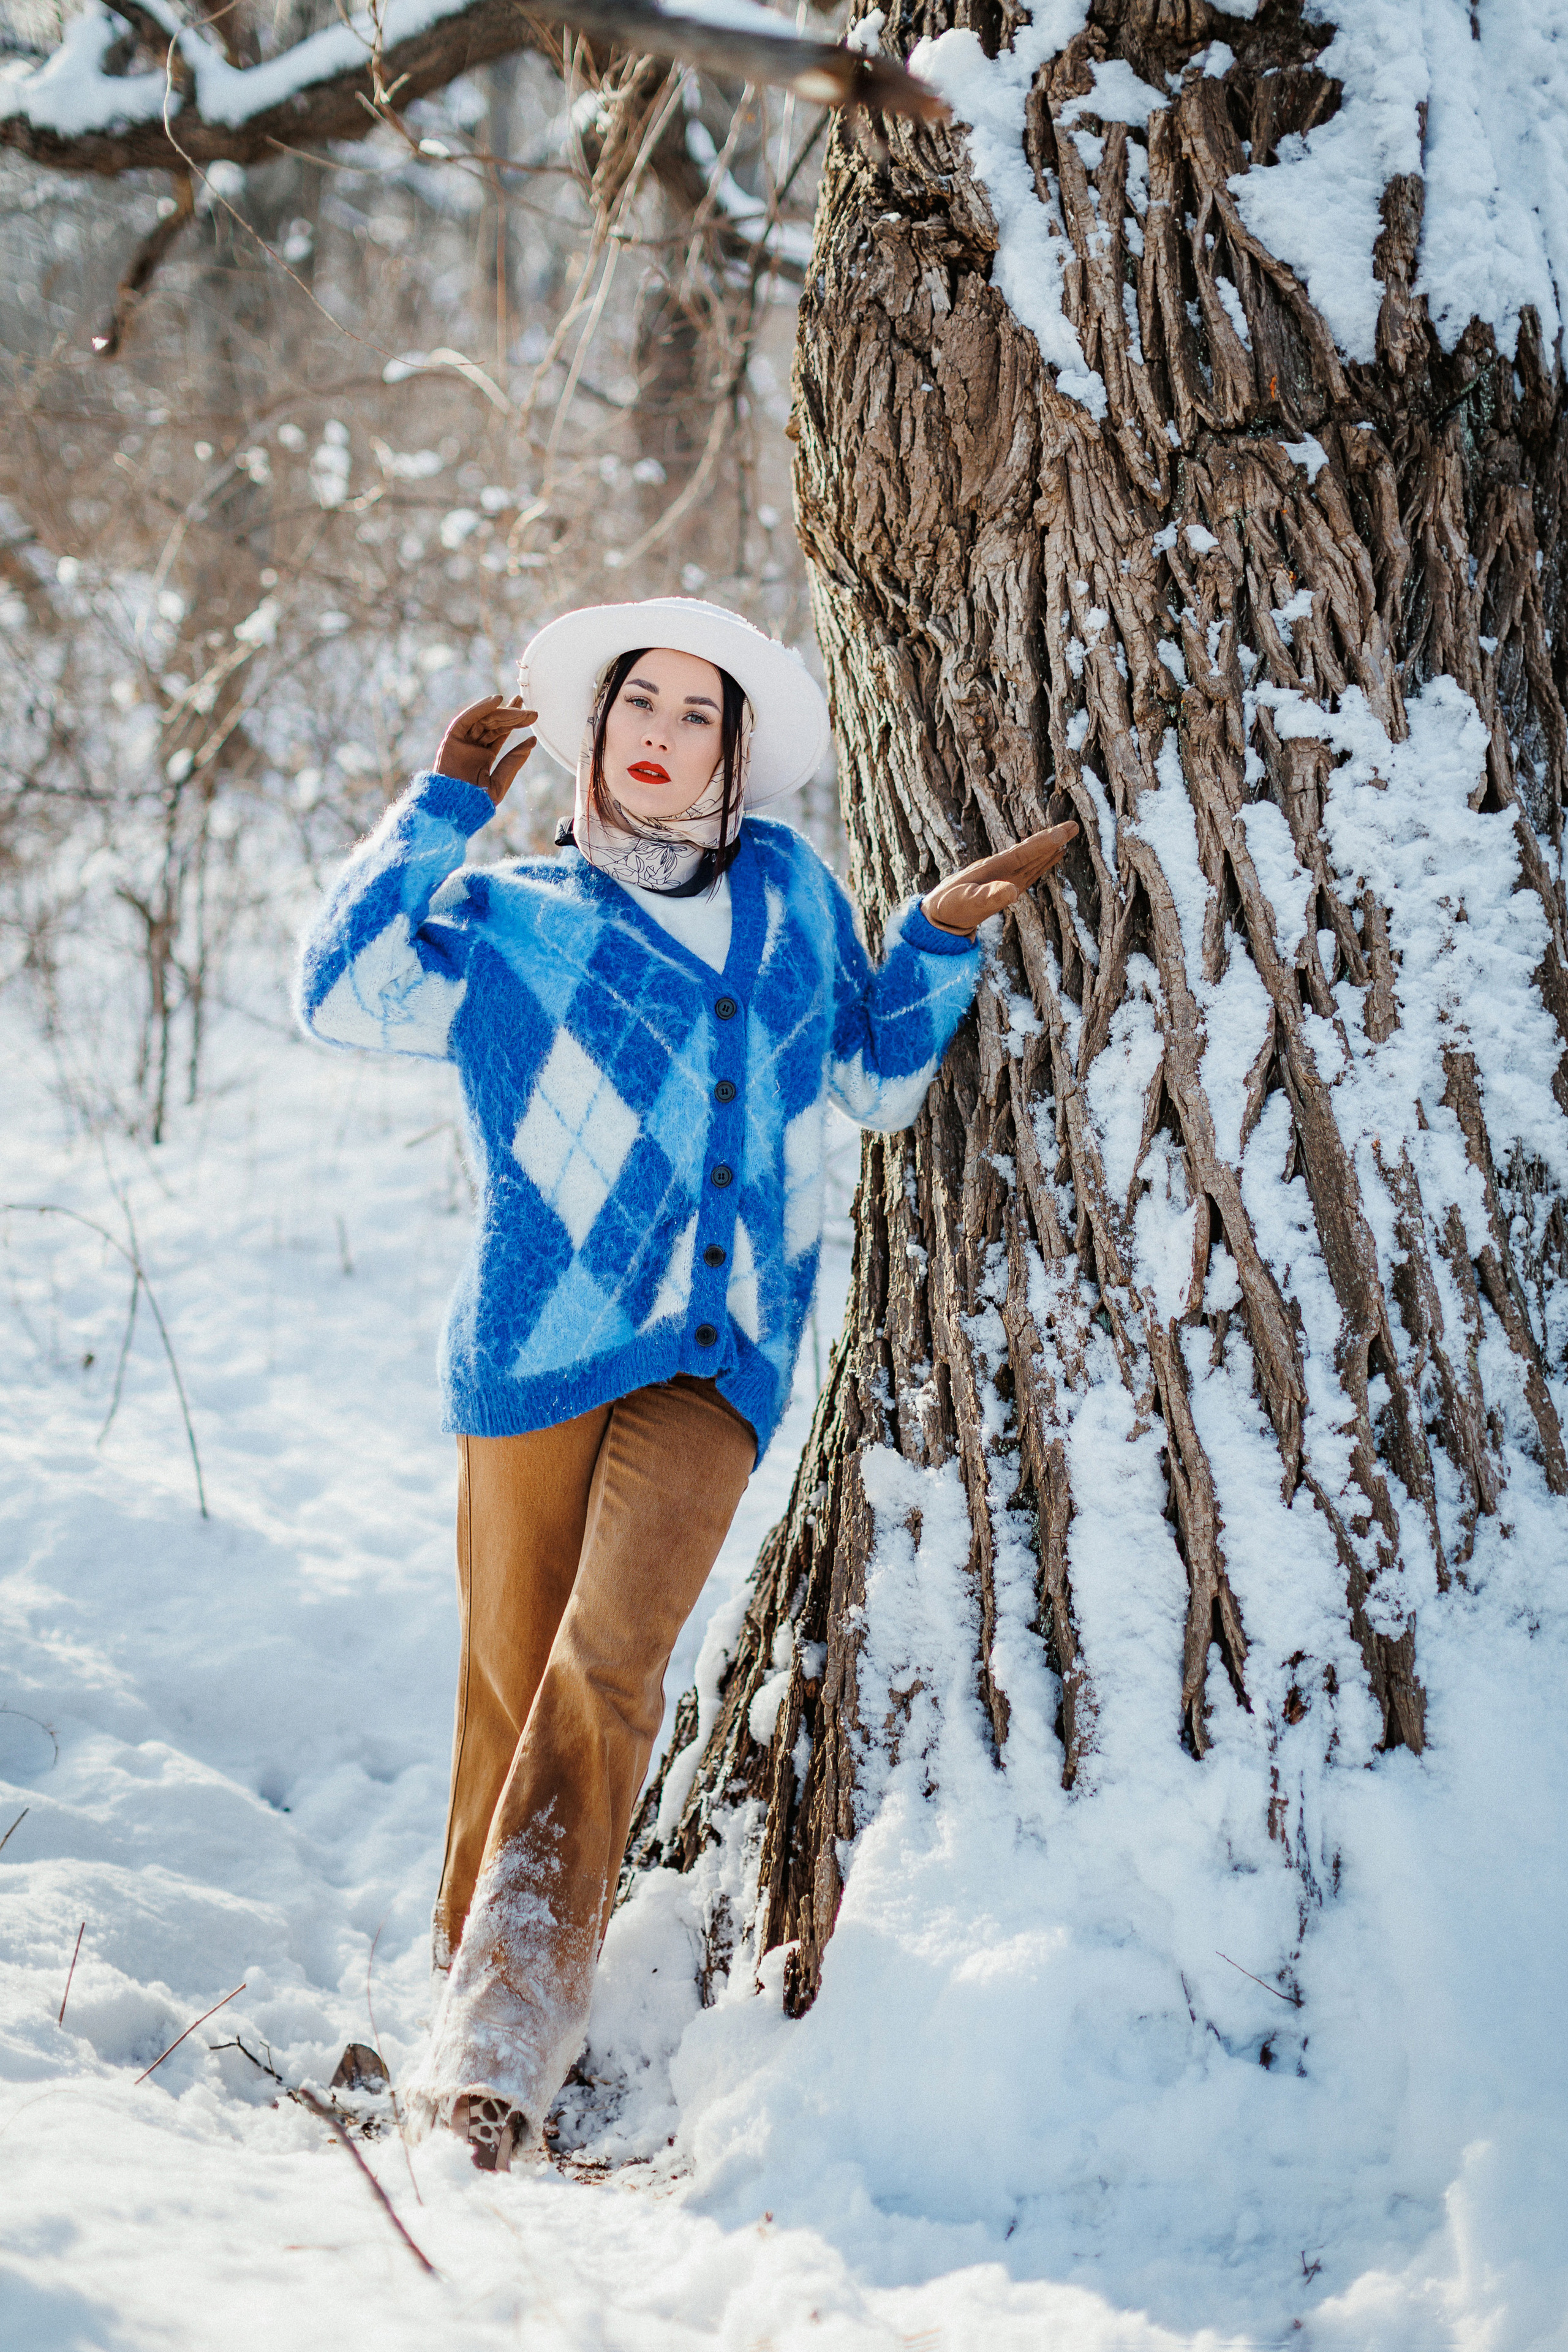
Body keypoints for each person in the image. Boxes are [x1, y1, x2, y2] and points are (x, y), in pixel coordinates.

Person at [297, 598, 1076, 2171]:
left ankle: (500, 2048)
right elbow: (340, 993)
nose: (659, 732)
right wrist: (442, 807)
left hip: (719, 1359)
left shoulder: (793, 894)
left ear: (732, 750)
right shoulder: (513, 915)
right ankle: (472, 2013)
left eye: (695, 713)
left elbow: (867, 1079)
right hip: (527, 1354)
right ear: (592, 737)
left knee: (604, 1667)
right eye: (633, 704)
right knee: (508, 1689)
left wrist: (931, 941)